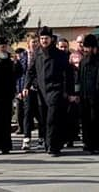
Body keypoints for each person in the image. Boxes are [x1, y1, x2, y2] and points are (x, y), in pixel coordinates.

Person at [23, 26, 74, 156]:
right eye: (42, 38)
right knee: (44, 119)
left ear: (51, 39)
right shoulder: (37, 54)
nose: (44, 40)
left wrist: (69, 92)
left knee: (53, 119)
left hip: (55, 90)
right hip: (41, 91)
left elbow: (68, 74)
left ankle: (53, 146)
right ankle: (48, 143)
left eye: (46, 38)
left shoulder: (60, 55)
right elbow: (30, 71)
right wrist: (26, 87)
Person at [19, 33, 43, 151]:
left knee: (40, 113)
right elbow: (19, 75)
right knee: (27, 113)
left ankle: (41, 138)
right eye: (32, 42)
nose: (34, 44)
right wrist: (21, 89)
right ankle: (26, 138)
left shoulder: (41, 55)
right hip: (27, 89)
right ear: (28, 44)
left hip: (39, 89)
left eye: (36, 42)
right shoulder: (22, 56)